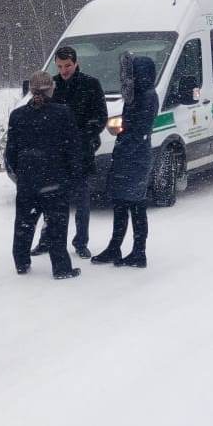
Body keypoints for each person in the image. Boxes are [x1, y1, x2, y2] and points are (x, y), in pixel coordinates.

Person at [30, 46, 107, 259]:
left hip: (81, 152)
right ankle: (47, 240)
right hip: (54, 155)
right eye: (60, 66)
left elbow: (101, 117)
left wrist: (82, 136)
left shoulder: (91, 84)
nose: (64, 70)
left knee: (82, 201)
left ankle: (81, 243)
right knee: (51, 200)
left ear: (76, 63)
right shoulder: (50, 85)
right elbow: (35, 111)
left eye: (68, 66)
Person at [4, 71, 83, 279]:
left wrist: (20, 173)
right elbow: (73, 148)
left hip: (27, 180)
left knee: (24, 222)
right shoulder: (62, 113)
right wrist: (73, 175)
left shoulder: (17, 115)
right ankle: (61, 268)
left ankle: (21, 262)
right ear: (51, 90)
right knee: (57, 225)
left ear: (30, 91)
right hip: (54, 180)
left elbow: (11, 152)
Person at [92, 55, 159, 268]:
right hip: (127, 156)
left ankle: (139, 252)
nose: (129, 78)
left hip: (136, 158)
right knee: (121, 203)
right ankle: (116, 246)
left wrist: (124, 138)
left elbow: (138, 129)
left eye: (133, 73)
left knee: (136, 205)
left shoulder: (147, 96)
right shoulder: (136, 95)